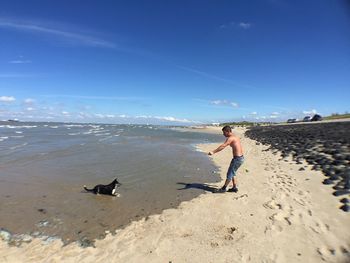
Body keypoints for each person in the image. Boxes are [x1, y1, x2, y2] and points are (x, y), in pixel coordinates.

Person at [208, 125, 244, 193]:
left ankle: (223, 189)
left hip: (237, 159)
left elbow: (223, 146)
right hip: (240, 158)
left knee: (229, 174)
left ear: (228, 131)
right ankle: (234, 187)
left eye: (224, 133)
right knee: (233, 172)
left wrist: (213, 152)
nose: (223, 134)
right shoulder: (235, 136)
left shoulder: (230, 138)